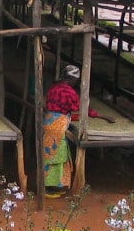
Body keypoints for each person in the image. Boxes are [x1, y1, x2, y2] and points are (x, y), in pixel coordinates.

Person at [42, 65, 114, 198]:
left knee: (50, 155)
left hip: (49, 121)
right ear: (71, 78)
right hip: (58, 126)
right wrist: (103, 116)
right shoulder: (69, 92)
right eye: (76, 80)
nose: (76, 82)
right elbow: (81, 108)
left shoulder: (54, 88)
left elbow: (53, 106)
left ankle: (53, 186)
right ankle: (47, 188)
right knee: (56, 156)